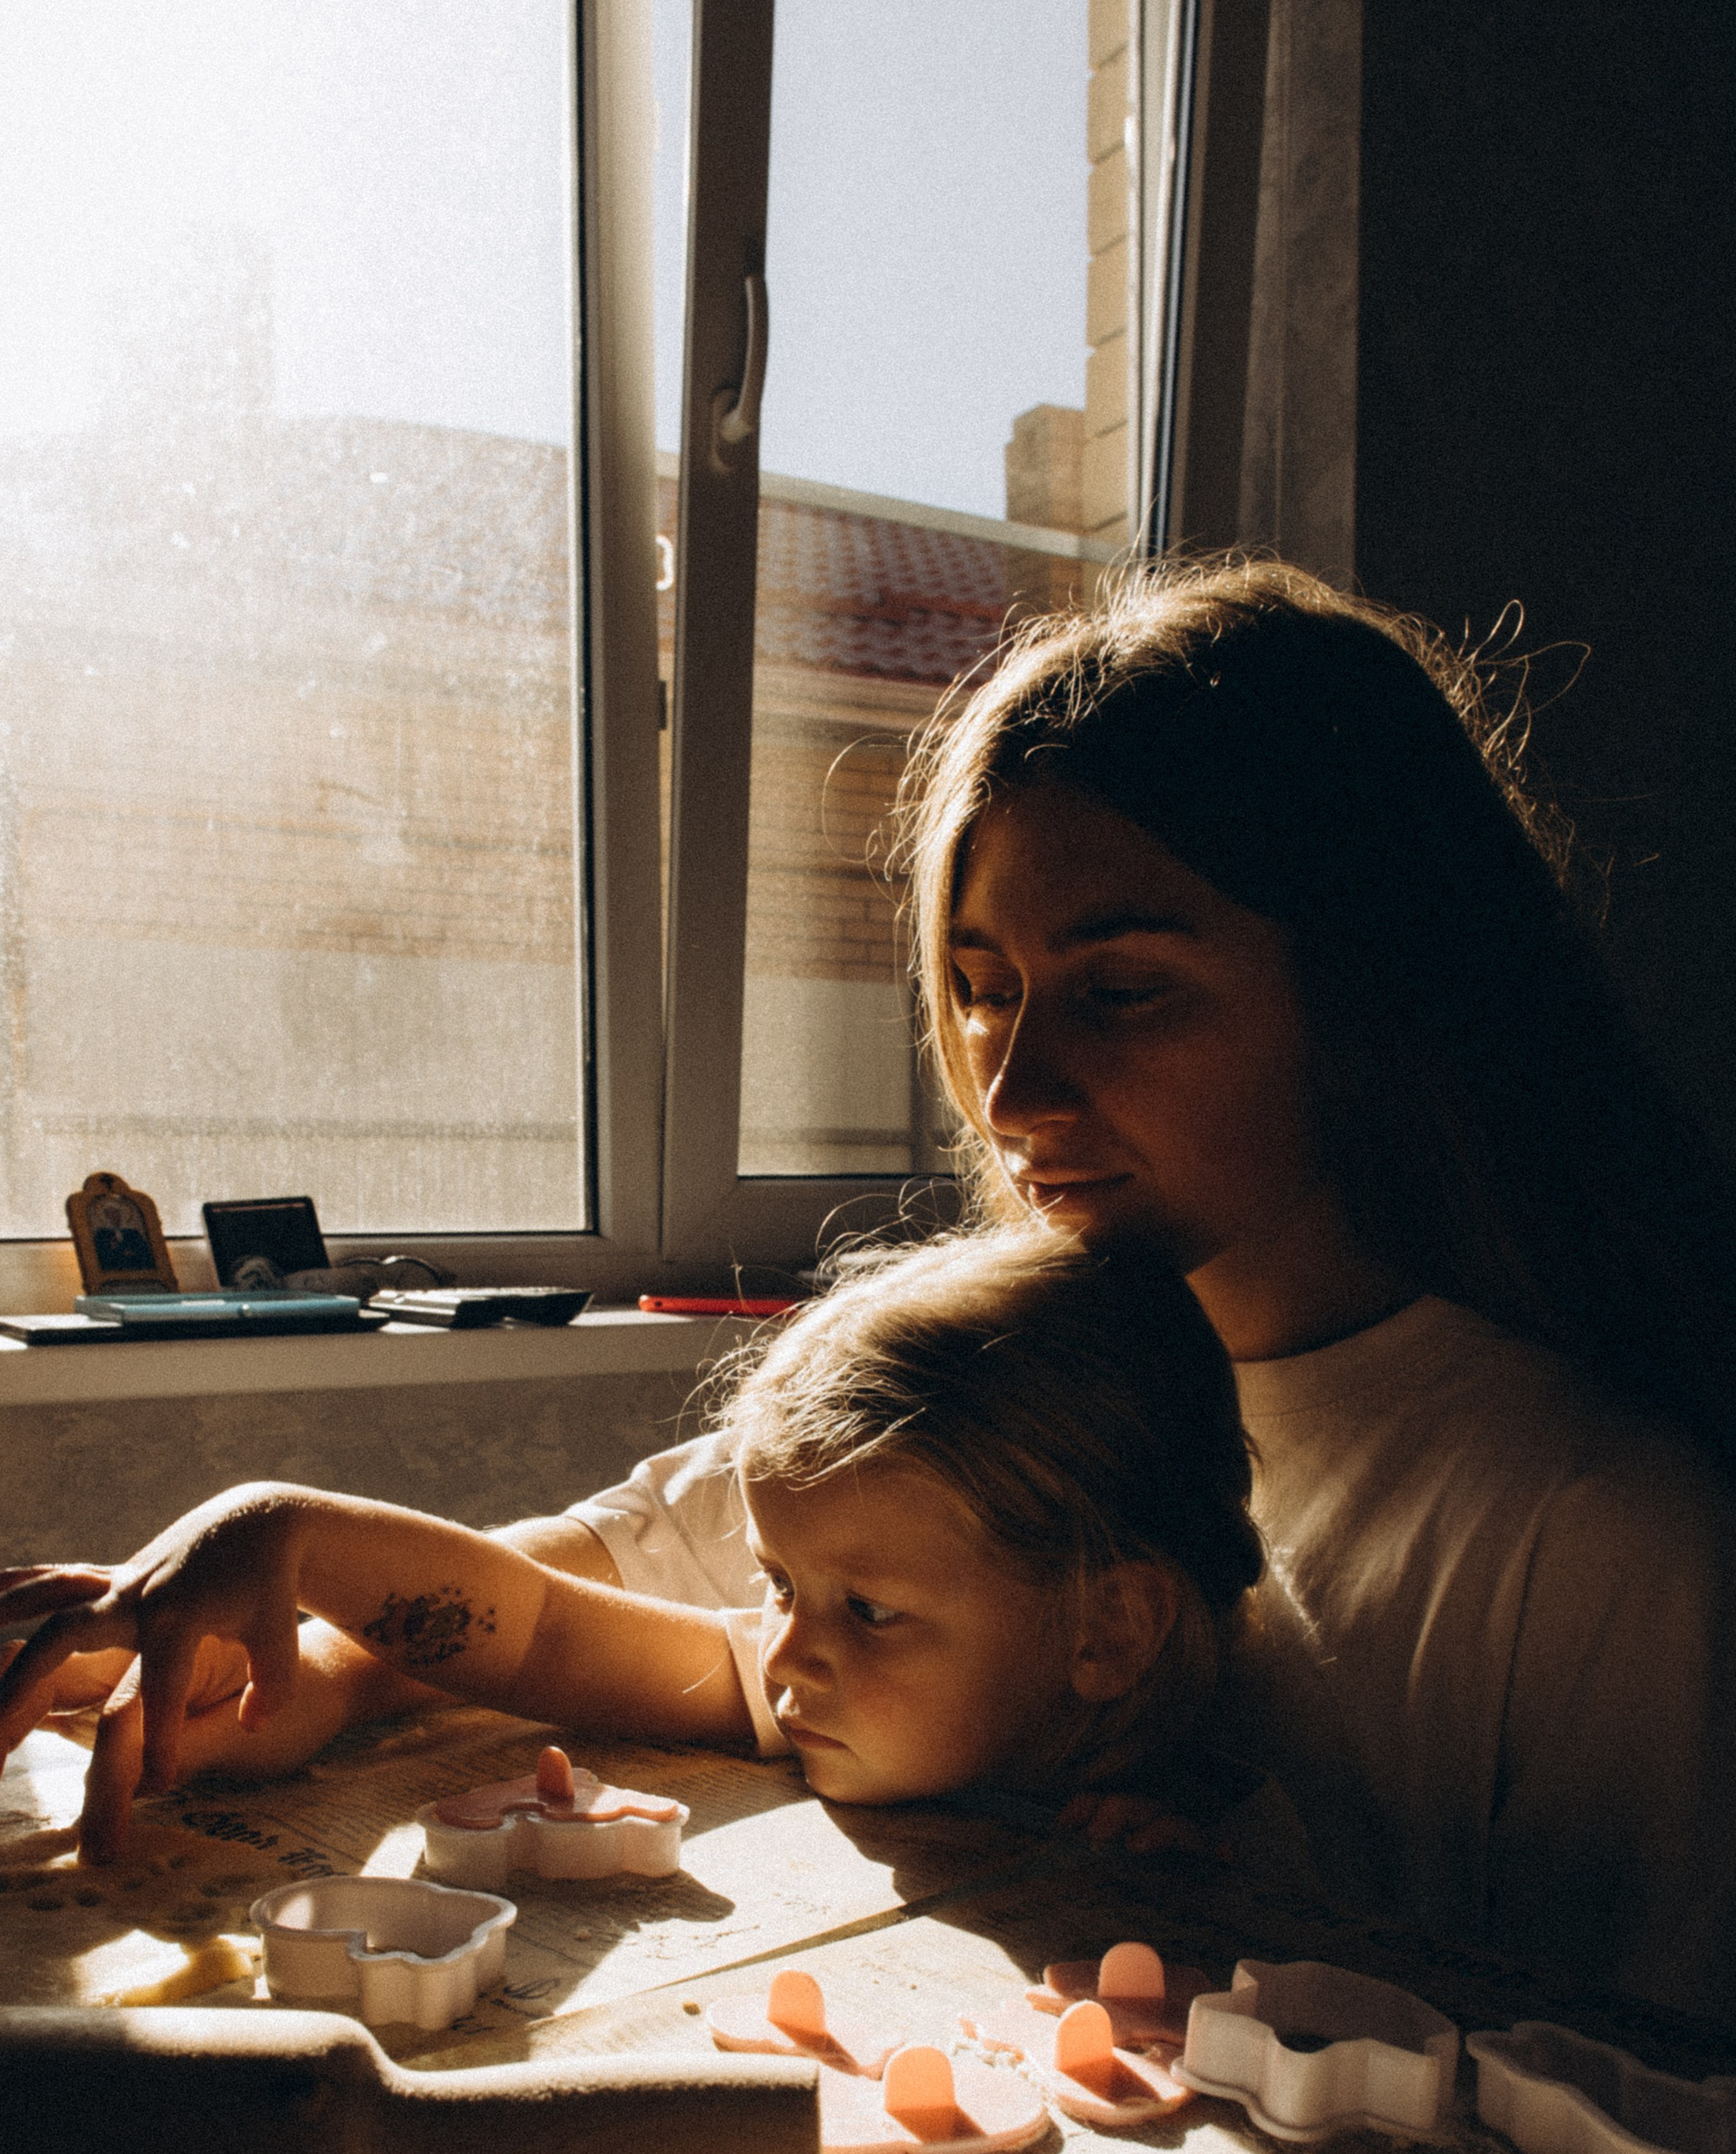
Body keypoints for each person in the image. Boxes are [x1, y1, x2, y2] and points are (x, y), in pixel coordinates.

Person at [518, 560, 1736, 2021]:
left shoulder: (1602, 1545)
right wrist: (310, 1627)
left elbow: (1653, 2119)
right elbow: (589, 1570)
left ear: (1368, 992)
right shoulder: (998, 1392)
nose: (1012, 1094)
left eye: (1122, 992)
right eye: (980, 991)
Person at [0, 1229, 1266, 1847]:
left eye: (866, 1609)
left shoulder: (1250, 1825)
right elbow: (544, 1623)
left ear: (1106, 1632)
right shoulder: (851, 1689)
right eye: (781, 1584)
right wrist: (277, 1535)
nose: (787, 1653)